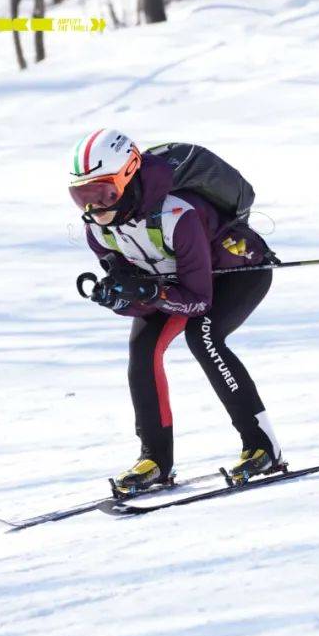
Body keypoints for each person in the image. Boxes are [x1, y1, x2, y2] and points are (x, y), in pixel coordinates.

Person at [67, 128, 282, 493]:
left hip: (236, 273)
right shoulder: (99, 232)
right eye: (81, 197)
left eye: (103, 193)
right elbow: (136, 296)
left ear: (129, 175)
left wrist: (150, 291)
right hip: (172, 285)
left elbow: (198, 301)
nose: (94, 209)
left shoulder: (178, 214)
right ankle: (154, 461)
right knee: (142, 348)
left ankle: (263, 447)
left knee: (205, 337)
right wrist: (121, 298)